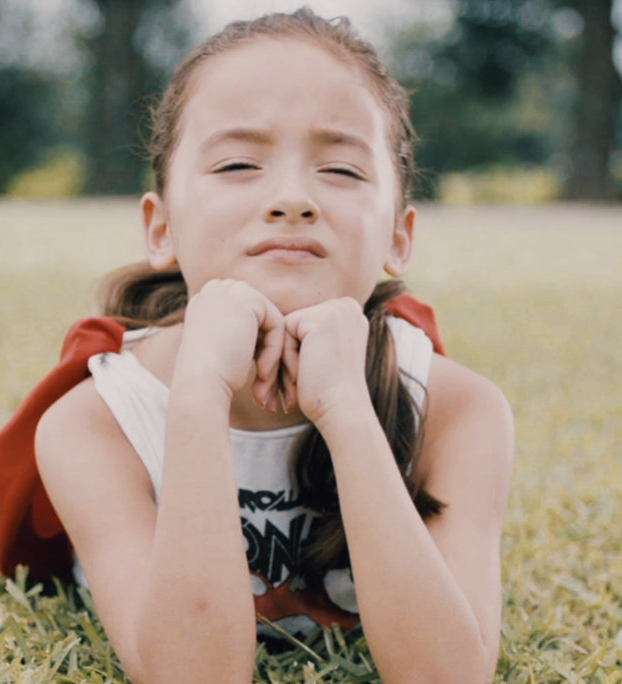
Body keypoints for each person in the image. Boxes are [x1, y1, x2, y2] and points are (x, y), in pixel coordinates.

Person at [33, 8, 514, 683]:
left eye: (342, 171)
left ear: (398, 237)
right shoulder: (94, 423)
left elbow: (449, 676)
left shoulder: (458, 412)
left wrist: (346, 413)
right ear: (160, 226)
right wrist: (197, 399)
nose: (291, 199)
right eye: (236, 163)